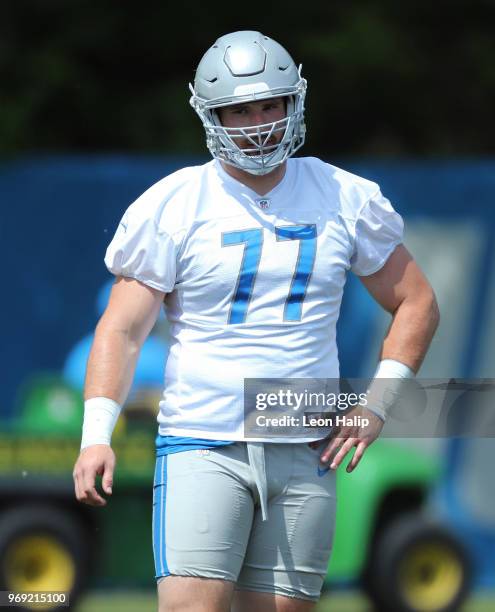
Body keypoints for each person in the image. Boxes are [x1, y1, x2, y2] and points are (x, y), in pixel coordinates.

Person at [73, 30, 440, 612]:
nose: (260, 122)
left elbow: (417, 302)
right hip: (203, 438)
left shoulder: (342, 194)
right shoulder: (175, 201)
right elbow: (121, 329)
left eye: (272, 104)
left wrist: (379, 404)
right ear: (212, 114)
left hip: (304, 442)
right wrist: (97, 435)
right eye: (241, 109)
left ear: (295, 102)